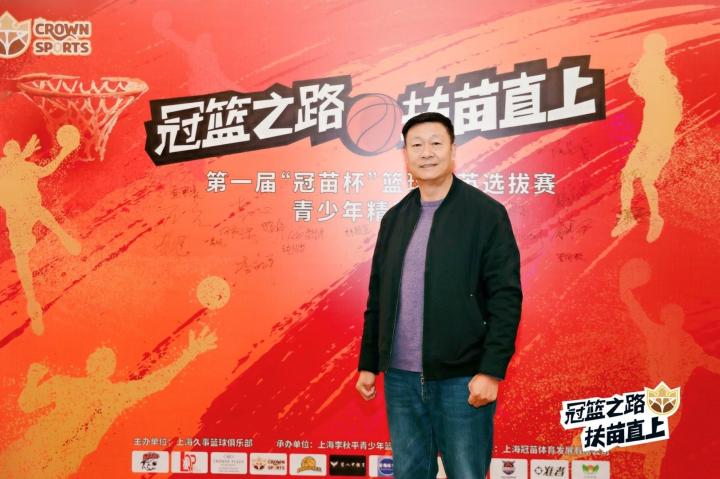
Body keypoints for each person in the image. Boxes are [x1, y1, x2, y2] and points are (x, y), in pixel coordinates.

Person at [356, 111, 522, 478]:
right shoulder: (394, 219)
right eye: (416, 145)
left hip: (463, 380)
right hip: (400, 378)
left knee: (466, 472)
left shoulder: (486, 214)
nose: (426, 152)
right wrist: (369, 363)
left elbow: (505, 298)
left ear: (453, 150)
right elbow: (377, 298)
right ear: (406, 155)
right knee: (410, 472)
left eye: (435, 143)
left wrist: (491, 371)